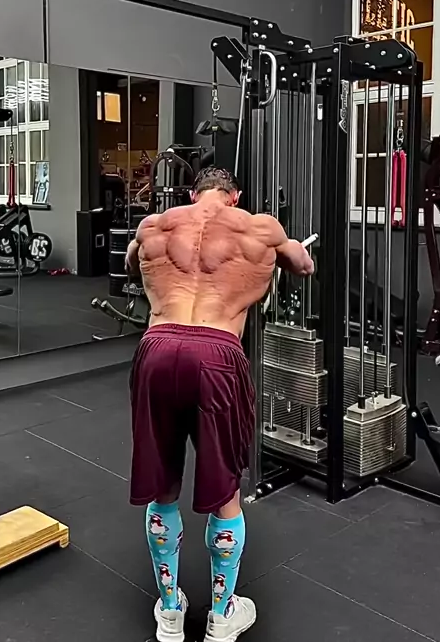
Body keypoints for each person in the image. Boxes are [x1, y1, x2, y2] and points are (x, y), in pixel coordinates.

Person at [126, 167, 314, 642]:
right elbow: (303, 265)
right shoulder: (259, 227)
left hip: (157, 347)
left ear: (193, 195)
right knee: (225, 486)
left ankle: (170, 613)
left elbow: (132, 263)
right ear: (235, 196)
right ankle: (222, 616)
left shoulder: (155, 225)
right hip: (216, 353)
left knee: (162, 485)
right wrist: (289, 250)